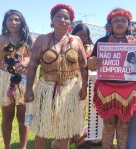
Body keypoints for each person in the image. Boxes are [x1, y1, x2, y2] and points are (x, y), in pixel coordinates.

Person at [88, 8, 136, 148]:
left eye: (123, 20)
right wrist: (91, 62)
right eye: (116, 20)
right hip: (106, 89)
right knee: (108, 125)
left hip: (128, 91)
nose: (120, 23)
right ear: (110, 24)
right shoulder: (102, 42)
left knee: (123, 126)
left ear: (128, 24)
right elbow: (91, 66)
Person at [24, 4, 88, 149]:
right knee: (41, 128)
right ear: (52, 20)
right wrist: (29, 89)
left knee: (64, 128)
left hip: (69, 89)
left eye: (66, 18)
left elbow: (83, 66)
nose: (62, 20)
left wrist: (84, 85)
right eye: (58, 16)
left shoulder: (76, 41)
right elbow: (33, 65)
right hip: (45, 87)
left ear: (70, 22)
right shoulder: (41, 40)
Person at [0, 9, 34, 149]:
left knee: (23, 117)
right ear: (5, 22)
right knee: (7, 117)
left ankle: (23, 147)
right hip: (5, 82)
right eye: (10, 19)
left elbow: (39, 59)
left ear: (22, 22)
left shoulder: (30, 40)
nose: (13, 22)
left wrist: (28, 61)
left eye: (16, 19)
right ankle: (7, 147)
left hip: (24, 82)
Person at [50, 23, 95, 148]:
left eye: (86, 35)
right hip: (69, 81)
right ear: (74, 33)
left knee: (81, 109)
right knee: (65, 108)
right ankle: (62, 135)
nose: (83, 37)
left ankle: (77, 133)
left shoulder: (91, 47)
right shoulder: (67, 44)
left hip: (85, 81)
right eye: (80, 34)